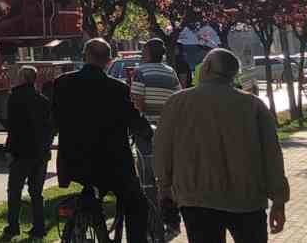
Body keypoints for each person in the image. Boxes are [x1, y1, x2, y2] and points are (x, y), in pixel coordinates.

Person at [155, 48, 289, 242]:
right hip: (247, 199)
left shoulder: (177, 103)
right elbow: (272, 156)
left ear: (206, 67)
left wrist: (164, 186)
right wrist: (278, 200)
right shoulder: (253, 105)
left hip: (197, 199)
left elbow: (162, 150)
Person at [53, 38, 153, 240]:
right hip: (112, 165)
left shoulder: (62, 83)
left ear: (85, 56)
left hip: (73, 162)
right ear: (108, 60)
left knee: (89, 190)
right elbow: (133, 119)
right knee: (138, 205)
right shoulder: (118, 88)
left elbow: (53, 119)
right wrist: (147, 131)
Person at [4, 66, 54, 238]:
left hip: (21, 153)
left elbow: (13, 127)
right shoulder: (43, 101)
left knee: (14, 190)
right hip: (40, 154)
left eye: (19, 76)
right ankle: (39, 226)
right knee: (36, 192)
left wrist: (9, 150)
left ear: (23, 78)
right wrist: (46, 148)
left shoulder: (15, 98)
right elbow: (50, 128)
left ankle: (13, 226)